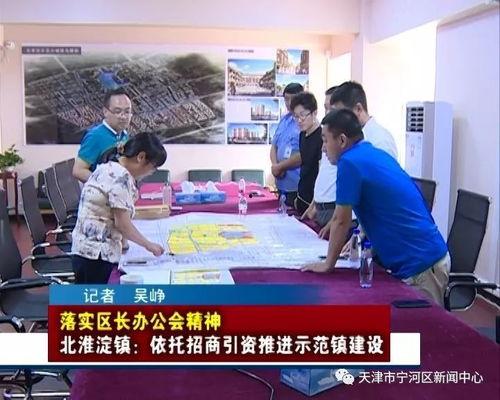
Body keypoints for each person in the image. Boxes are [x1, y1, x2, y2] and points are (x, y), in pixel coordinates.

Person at [302, 109, 450, 306]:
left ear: (342, 140)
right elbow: (378, 205)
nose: (323, 148)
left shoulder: (350, 162)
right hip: (422, 259)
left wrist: (328, 264)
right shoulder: (371, 153)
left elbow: (341, 220)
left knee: (420, 325)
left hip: (421, 264)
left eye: (325, 140)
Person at [71, 132, 166, 284]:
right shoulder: (120, 177)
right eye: (152, 167)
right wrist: (149, 246)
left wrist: (124, 242)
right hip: (95, 255)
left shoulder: (109, 166)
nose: (151, 173)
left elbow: (117, 212)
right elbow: (122, 224)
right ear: (141, 157)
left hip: (86, 251)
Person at [317, 81, 399, 238]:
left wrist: (361, 234)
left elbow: (383, 197)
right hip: (358, 221)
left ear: (359, 109)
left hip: (371, 227)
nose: (336, 119)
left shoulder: (379, 139)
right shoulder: (352, 141)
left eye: (341, 114)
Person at [73, 87, 132, 183]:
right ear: (105, 112)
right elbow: (78, 171)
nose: (123, 116)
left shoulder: (124, 134)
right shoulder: (95, 136)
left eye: (127, 112)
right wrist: (104, 184)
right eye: (118, 111)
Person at [301, 86, 338, 227]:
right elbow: (323, 173)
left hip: (333, 210)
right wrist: (313, 204)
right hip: (320, 208)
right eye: (325, 108)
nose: (327, 113)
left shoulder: (345, 142)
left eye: (331, 109)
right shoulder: (328, 135)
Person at [270, 83, 304, 207]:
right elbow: (274, 146)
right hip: (281, 185)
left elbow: (304, 154)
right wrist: (275, 166)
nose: (289, 103)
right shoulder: (284, 120)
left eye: (292, 99)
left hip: (297, 187)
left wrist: (281, 167)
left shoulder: (304, 122)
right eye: (286, 99)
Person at [290, 92, 323, 215]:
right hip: (301, 196)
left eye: (303, 115)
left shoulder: (322, 137)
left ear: (314, 113)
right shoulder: (302, 135)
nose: (299, 120)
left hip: (315, 203)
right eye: (296, 116)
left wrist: (314, 205)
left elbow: (321, 174)